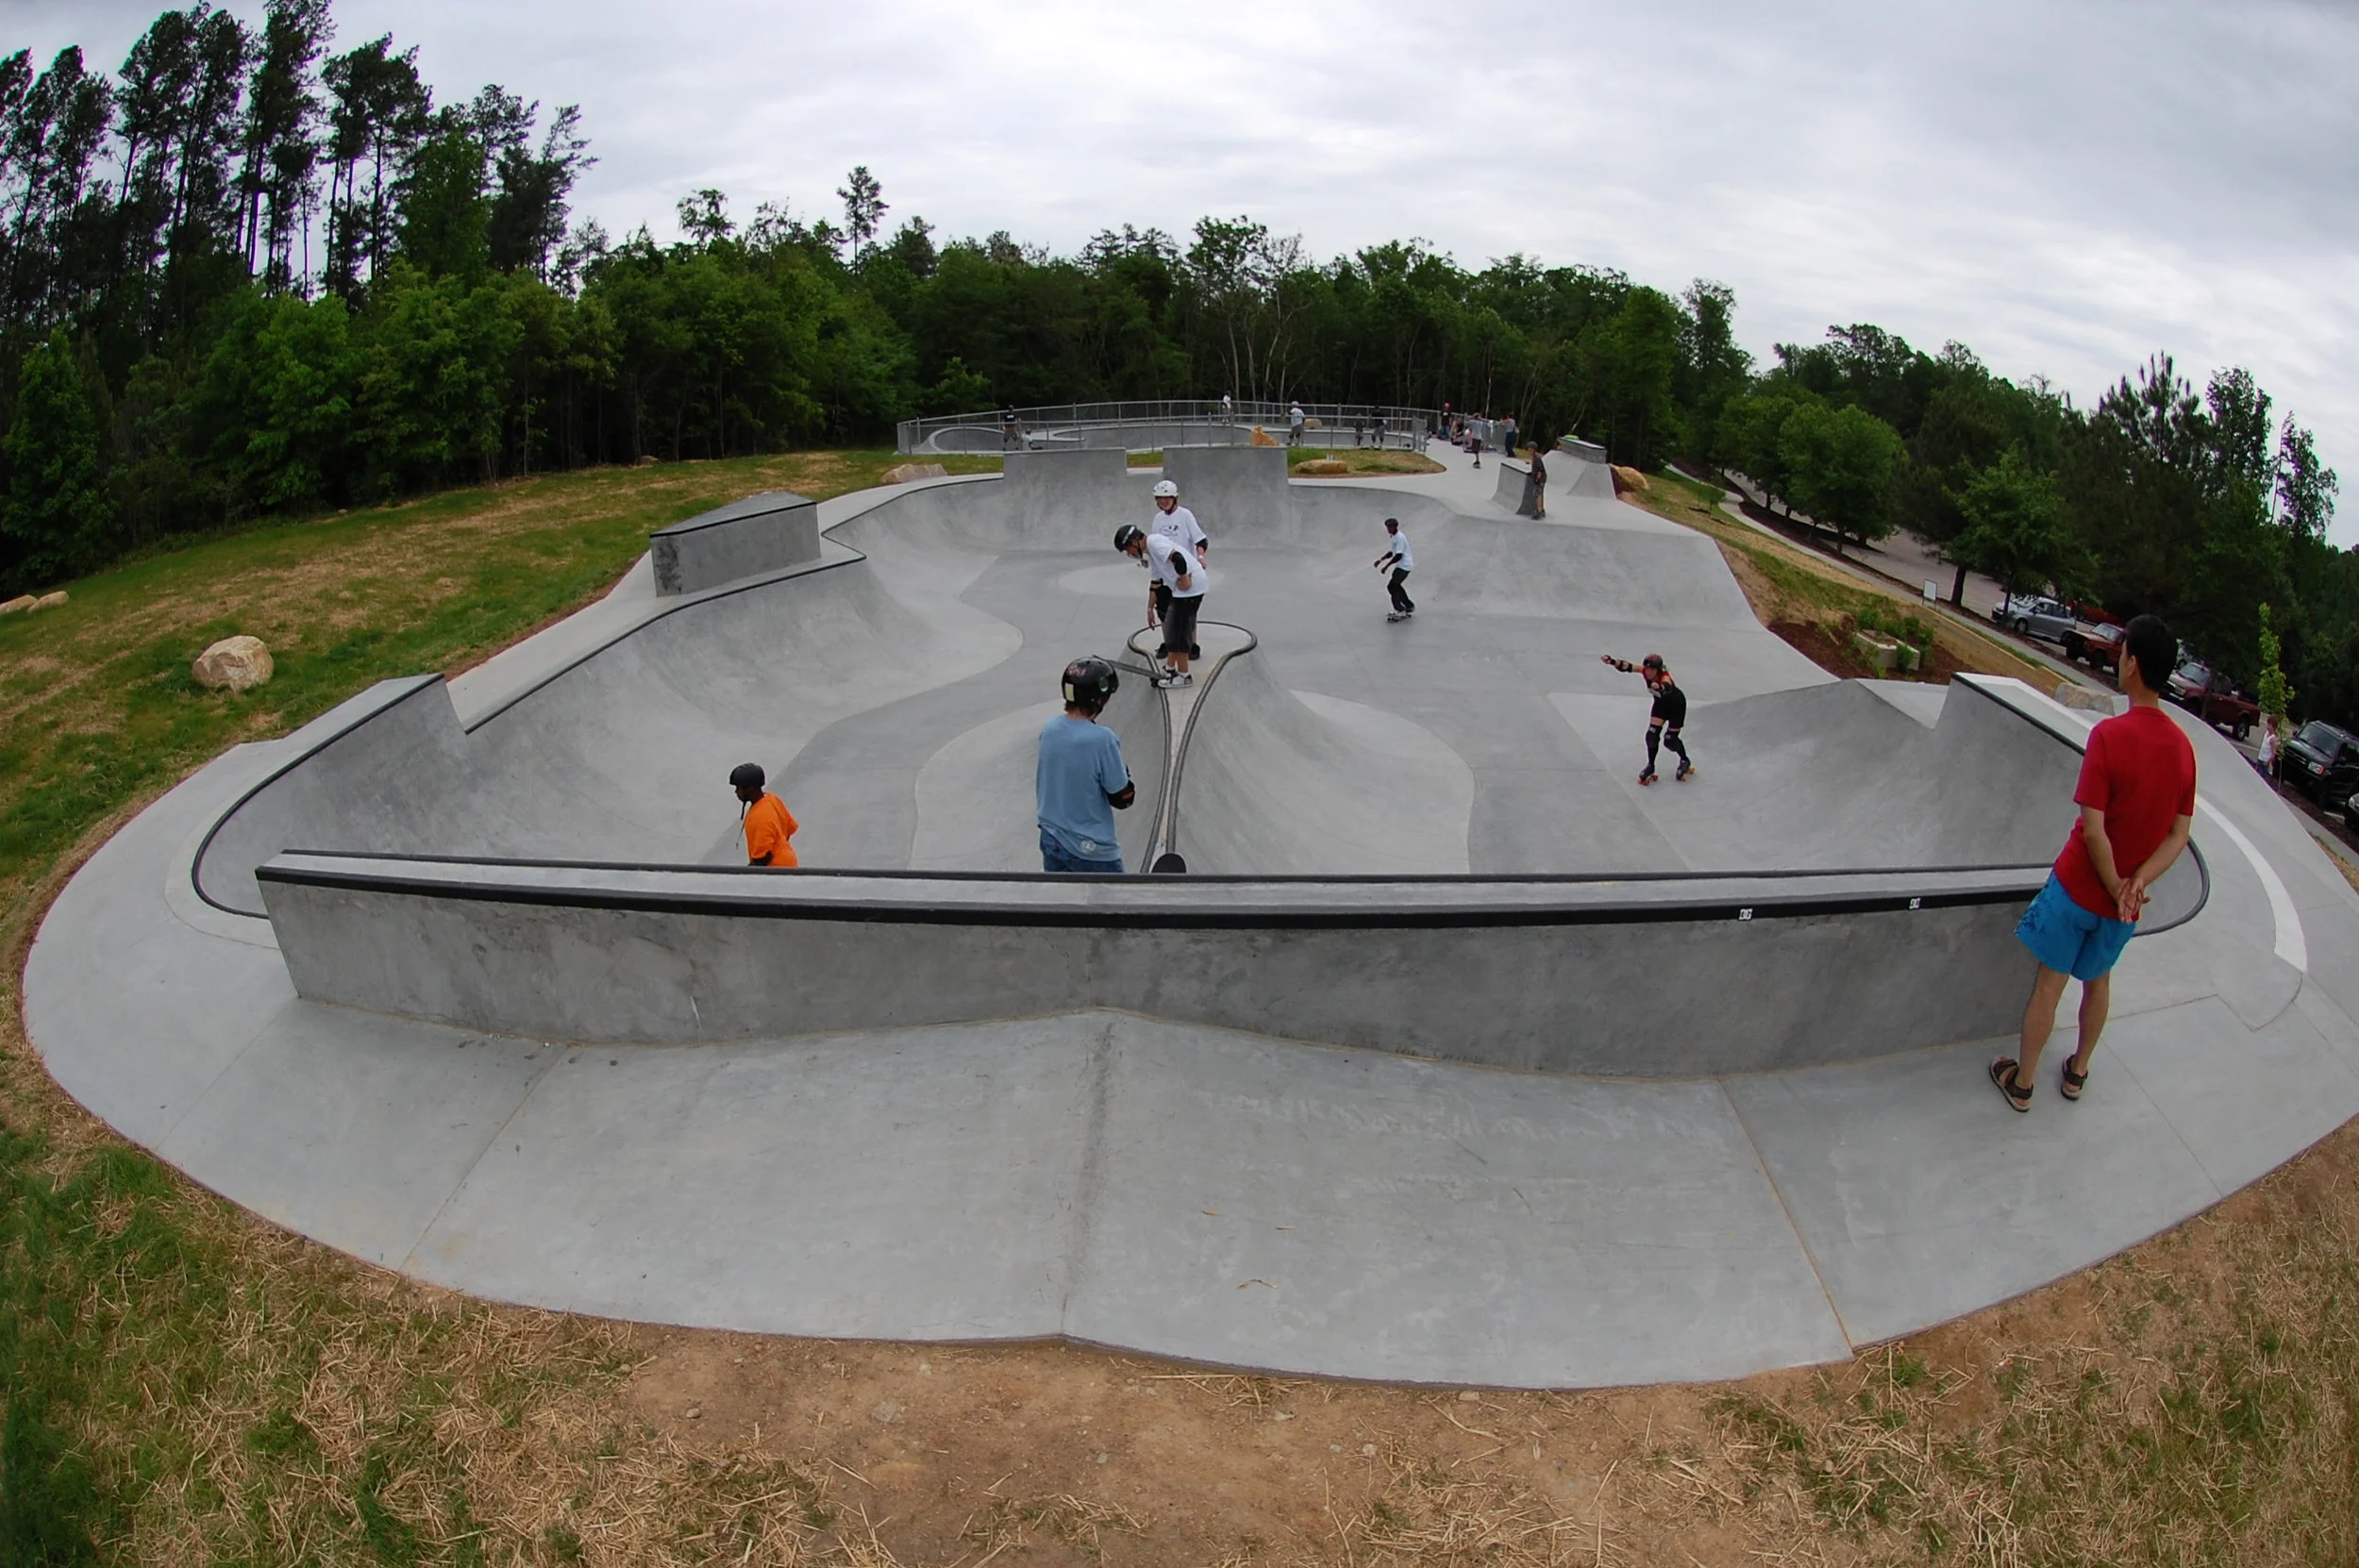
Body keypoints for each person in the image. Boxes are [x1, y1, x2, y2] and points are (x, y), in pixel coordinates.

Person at [1989, 614, 2196, 1111]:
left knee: (2049, 984)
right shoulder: (2184, 751)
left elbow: (2094, 826)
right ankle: (2078, 1072)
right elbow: (2179, 834)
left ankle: (2024, 1084)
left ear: (2133, 665)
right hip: (2122, 908)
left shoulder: (2109, 736)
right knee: (2098, 981)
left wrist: (2112, 881)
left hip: (2078, 886)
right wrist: (2135, 885)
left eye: (2122, 651)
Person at [1036, 657, 1136, 874]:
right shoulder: (1102, 739)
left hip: (1051, 838)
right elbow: (1122, 797)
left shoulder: (1050, 728)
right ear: (1100, 700)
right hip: (1091, 850)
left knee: (1063, 904)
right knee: (1112, 905)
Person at [1116, 523, 1208, 686]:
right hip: (1183, 591)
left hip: (1192, 589)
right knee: (1173, 629)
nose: (1128, 554)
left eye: (1126, 549)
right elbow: (1155, 583)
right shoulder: (1151, 552)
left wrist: (1185, 580)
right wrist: (1150, 609)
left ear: (1134, 542)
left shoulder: (1154, 542)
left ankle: (1184, 676)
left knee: (1179, 633)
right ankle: (1170, 668)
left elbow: (1178, 558)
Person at [1599, 653, 1695, 784]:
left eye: (1652, 670)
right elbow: (1627, 666)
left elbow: (1667, 685)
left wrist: (1660, 687)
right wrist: (1611, 661)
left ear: (1658, 670)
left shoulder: (1664, 676)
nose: (1649, 672)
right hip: (1661, 706)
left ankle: (1684, 760)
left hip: (1676, 707)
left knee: (1670, 741)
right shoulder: (1645, 670)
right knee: (1651, 736)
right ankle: (1651, 765)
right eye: (1647, 669)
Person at [1144, 479, 1207, 659]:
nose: (1163, 502)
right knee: (1164, 608)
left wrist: (1200, 557)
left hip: (1185, 571)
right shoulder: (1158, 519)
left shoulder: (1185, 515)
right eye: (1160, 499)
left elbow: (1200, 540)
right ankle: (1169, 643)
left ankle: (1192, 644)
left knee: (1187, 611)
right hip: (1166, 572)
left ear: (1174, 498)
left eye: (1167, 498)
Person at [729, 762, 799, 866]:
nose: (736, 792)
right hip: (788, 862)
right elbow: (790, 828)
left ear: (749, 789)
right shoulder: (772, 799)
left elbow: (762, 858)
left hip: (777, 871)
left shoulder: (760, 816)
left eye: (738, 788)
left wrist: (743, 877)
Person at [1374, 517, 1415, 621]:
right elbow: (1392, 552)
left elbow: (1398, 556)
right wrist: (1380, 560)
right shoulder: (1394, 536)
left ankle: (1400, 610)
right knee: (1396, 586)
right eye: (1387, 527)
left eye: (1390, 527)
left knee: (1392, 587)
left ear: (1395, 527)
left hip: (1405, 565)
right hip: (1402, 565)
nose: (1388, 529)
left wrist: (1386, 566)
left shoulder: (1400, 537)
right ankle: (1409, 605)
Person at [1528, 442, 1548, 519]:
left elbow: (1540, 470)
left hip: (1540, 479)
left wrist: (1537, 479)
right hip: (1541, 478)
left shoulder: (1537, 459)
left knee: (1538, 494)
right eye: (1529, 449)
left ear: (1534, 450)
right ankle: (1542, 510)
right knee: (1540, 494)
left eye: (1531, 449)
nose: (1529, 451)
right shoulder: (1534, 458)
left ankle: (1539, 511)